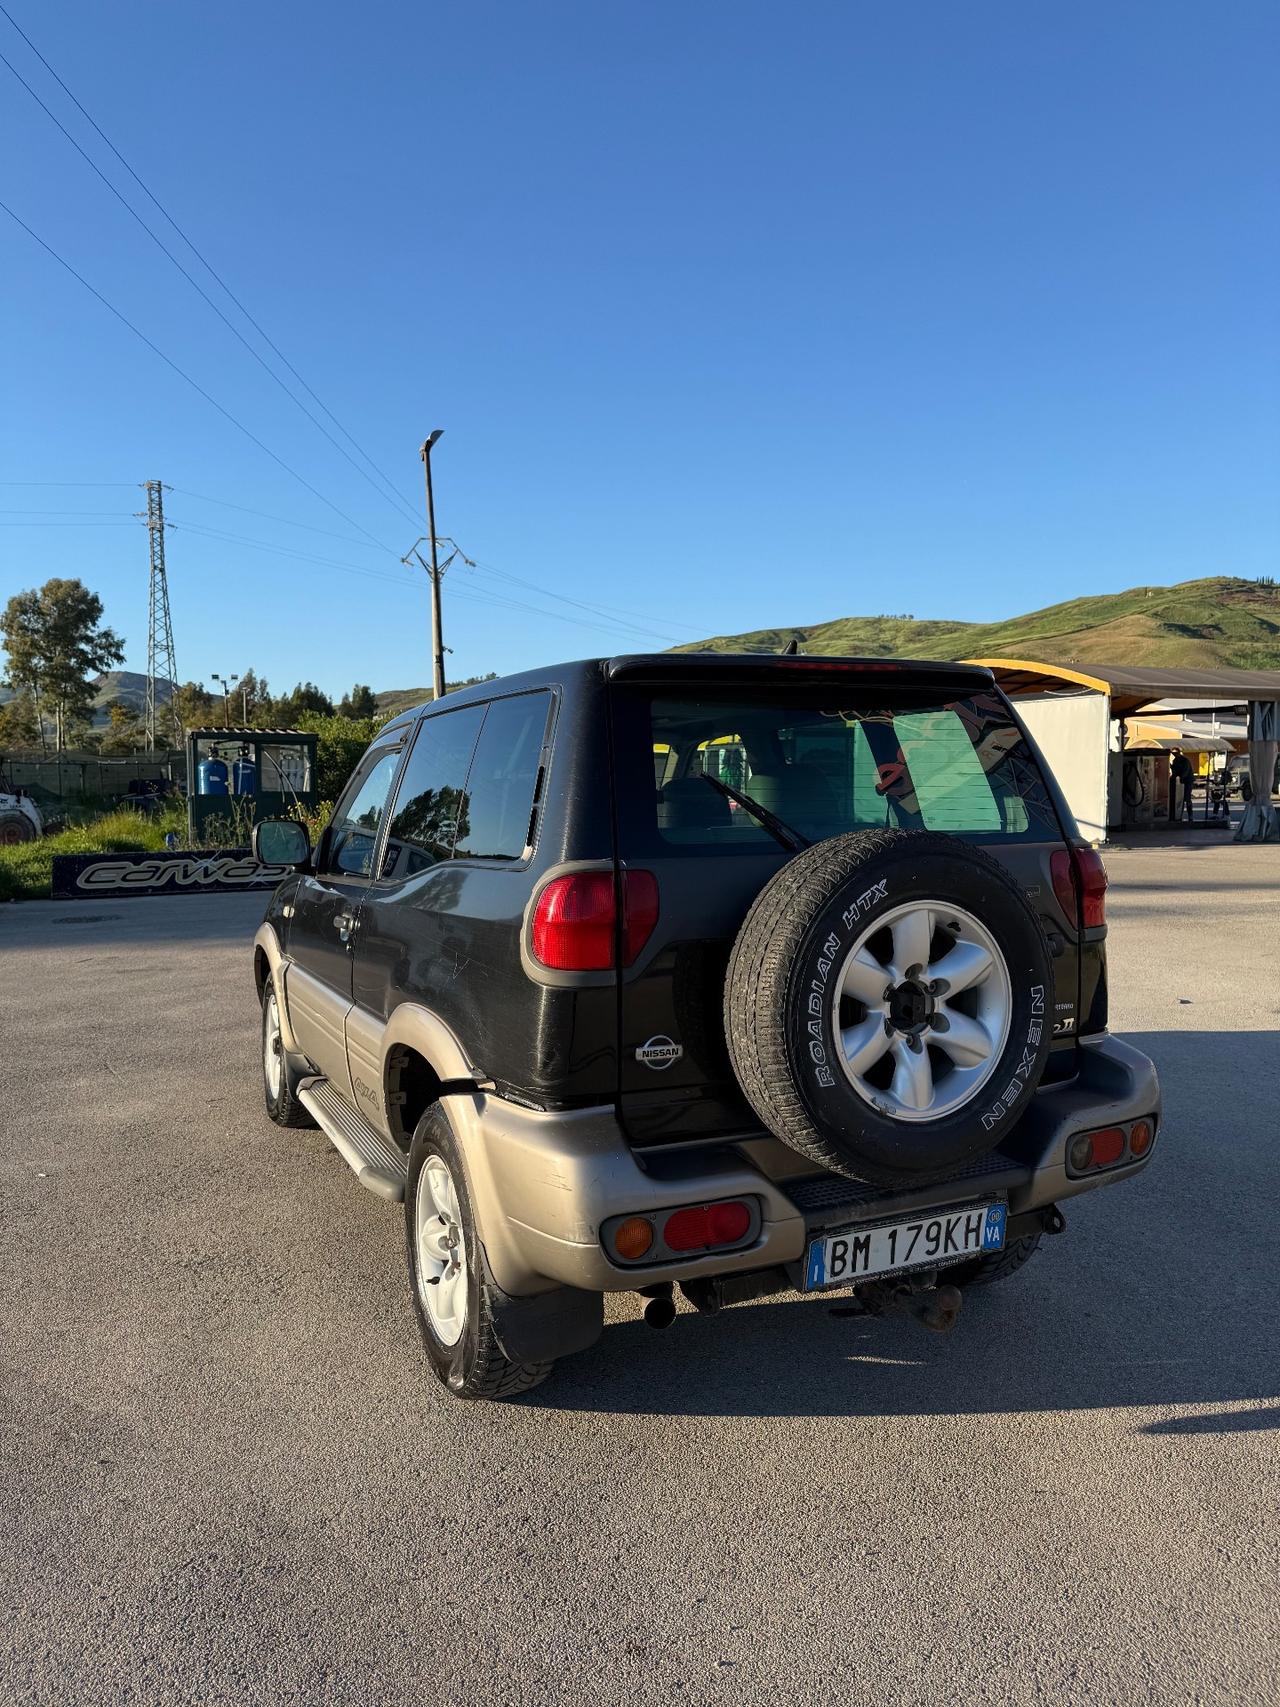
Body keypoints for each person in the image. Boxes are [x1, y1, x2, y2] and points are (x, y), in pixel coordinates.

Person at [1169, 750, 1194, 821]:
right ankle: (1179, 815)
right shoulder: (1175, 760)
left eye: (1175, 753)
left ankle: (1190, 815)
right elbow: (1174, 771)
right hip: (1180, 781)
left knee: (1187, 798)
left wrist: (1181, 778)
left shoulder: (1185, 761)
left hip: (1187, 781)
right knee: (1179, 799)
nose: (1174, 755)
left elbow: (1185, 771)